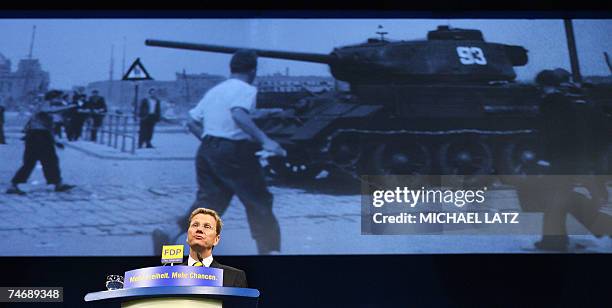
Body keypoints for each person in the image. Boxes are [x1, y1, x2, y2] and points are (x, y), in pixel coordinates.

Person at [153, 49, 286, 255]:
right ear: (252, 70)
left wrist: (210, 141)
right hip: (235, 152)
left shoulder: (216, 90)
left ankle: (170, 232)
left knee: (210, 202)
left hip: (207, 150)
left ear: (231, 68)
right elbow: (239, 115)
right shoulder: (246, 88)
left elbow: (192, 121)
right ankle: (269, 252)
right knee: (258, 200)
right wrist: (266, 141)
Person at [527, 69, 612, 251]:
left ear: (543, 86)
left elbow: (553, 134)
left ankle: (554, 241)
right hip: (569, 159)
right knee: (564, 199)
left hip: (559, 160)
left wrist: (545, 159)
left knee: (554, 199)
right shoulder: (564, 101)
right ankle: (603, 227)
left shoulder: (552, 104)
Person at [6, 90, 76, 195]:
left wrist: (55, 141)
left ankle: (56, 183)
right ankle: (57, 183)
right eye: (59, 98)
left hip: (39, 136)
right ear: (53, 97)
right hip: (37, 136)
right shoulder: (44, 104)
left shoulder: (47, 107)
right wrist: (69, 107)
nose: (61, 100)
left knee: (43, 161)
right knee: (44, 161)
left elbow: (48, 127)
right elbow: (49, 111)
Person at [179, 207, 247, 288]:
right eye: (195, 225)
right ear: (187, 236)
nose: (199, 229)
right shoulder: (170, 275)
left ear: (216, 239)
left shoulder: (234, 276)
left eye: (207, 226)